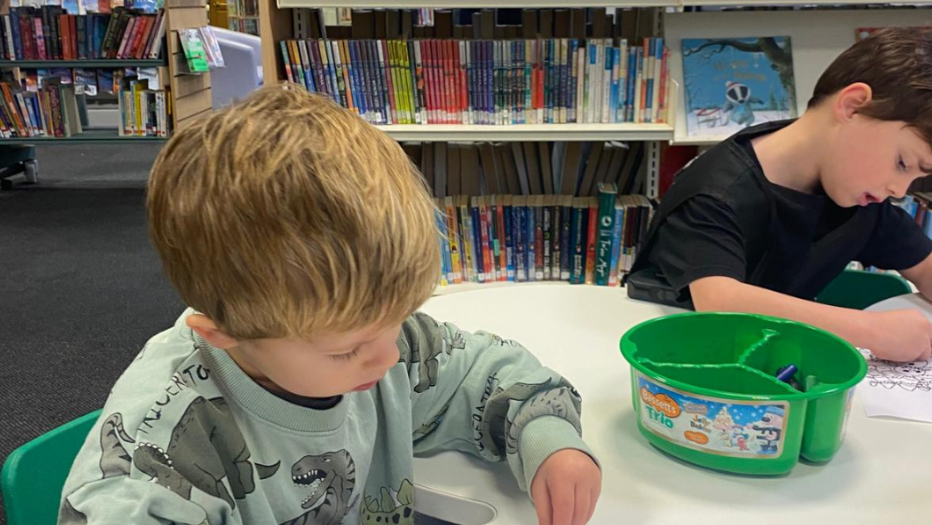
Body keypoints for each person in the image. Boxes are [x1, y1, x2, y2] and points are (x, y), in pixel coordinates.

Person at [58, 85, 601, 525]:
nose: (390, 358)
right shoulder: (165, 450)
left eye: (397, 322)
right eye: (348, 350)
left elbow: (482, 370)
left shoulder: (374, 341)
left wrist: (547, 438)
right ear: (225, 333)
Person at [629, 28, 932, 363]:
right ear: (854, 106)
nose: (899, 190)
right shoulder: (717, 193)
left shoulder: (856, 191)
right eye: (902, 162)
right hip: (677, 364)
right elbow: (720, 301)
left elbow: (924, 266)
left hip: (767, 364)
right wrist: (870, 330)